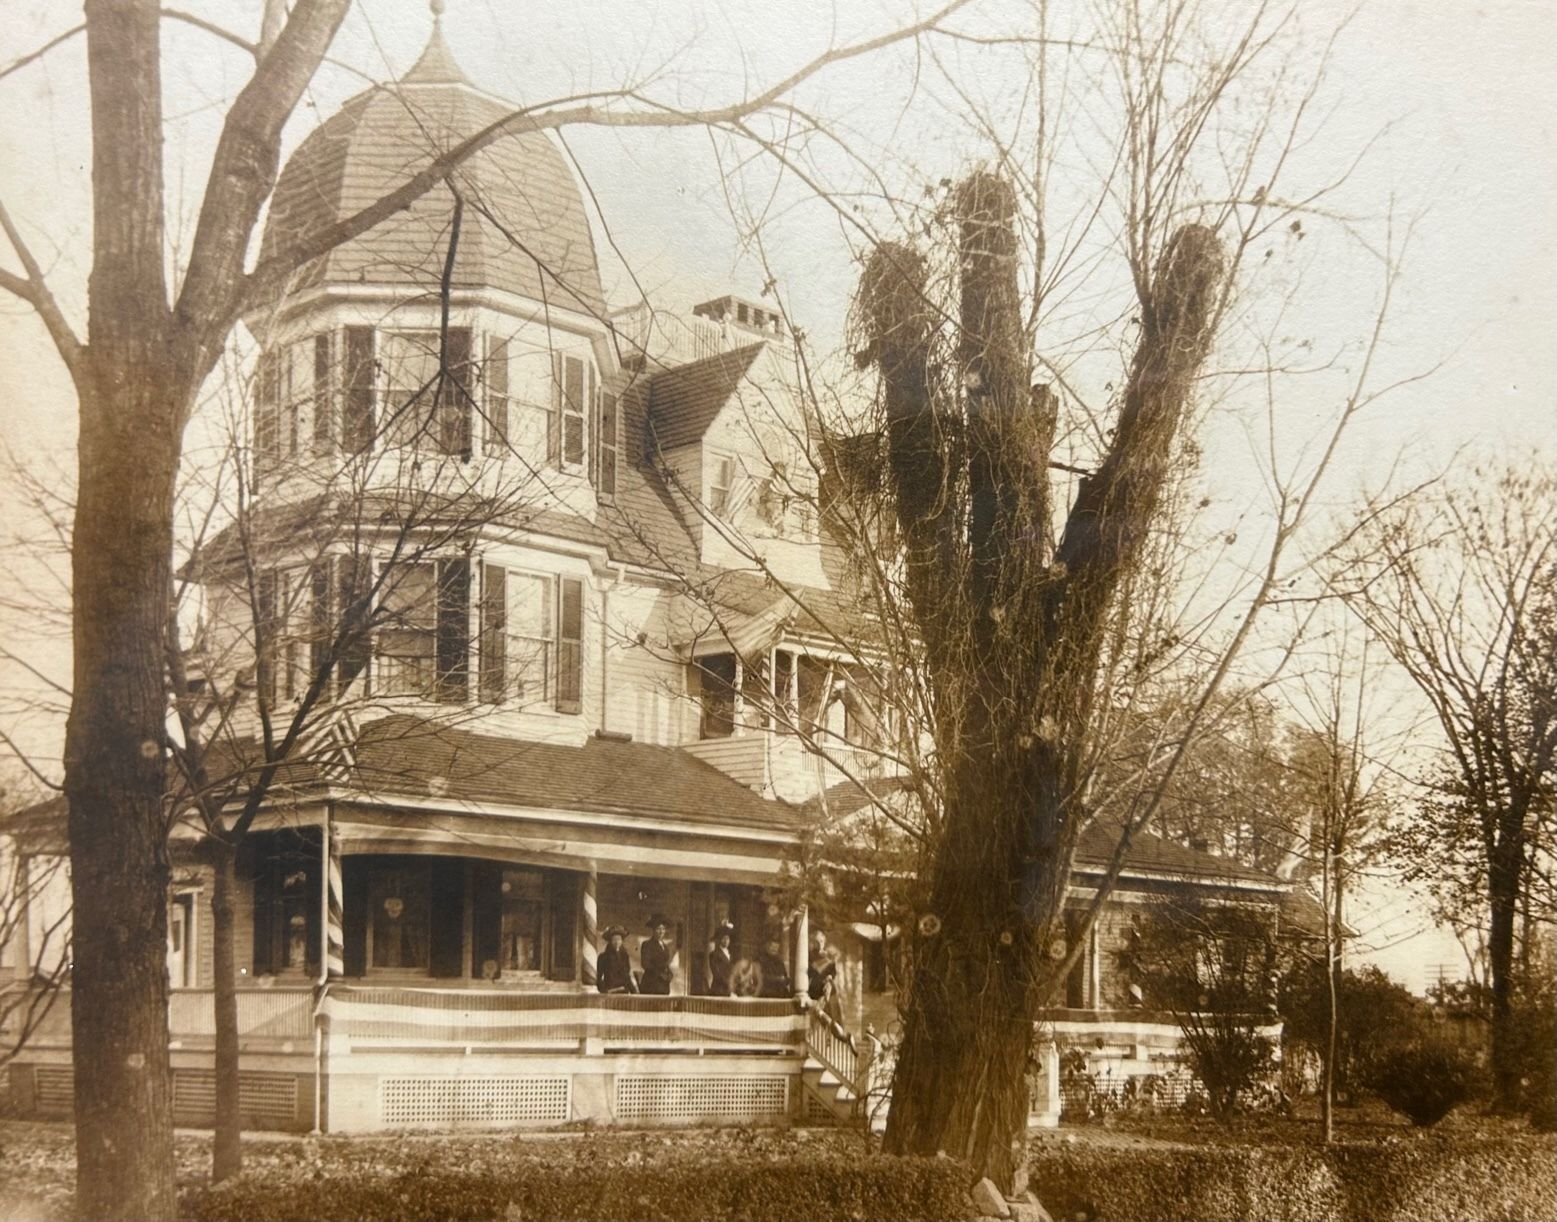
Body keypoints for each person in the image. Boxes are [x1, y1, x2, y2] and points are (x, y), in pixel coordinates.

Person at [807, 927, 844, 1026]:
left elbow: (833, 972)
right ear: (813, 942)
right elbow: (808, 972)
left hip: (828, 987)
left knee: (832, 1015)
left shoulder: (829, 956)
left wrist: (830, 978)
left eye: (821, 940)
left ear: (824, 941)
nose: (819, 943)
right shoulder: (809, 956)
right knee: (815, 1018)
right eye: (817, 941)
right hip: (815, 988)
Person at [639, 914, 674, 995]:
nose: (661, 931)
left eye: (663, 929)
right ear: (653, 930)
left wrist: (669, 974)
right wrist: (660, 974)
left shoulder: (665, 946)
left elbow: (665, 964)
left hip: (663, 985)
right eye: (658, 929)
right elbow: (645, 964)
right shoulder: (647, 944)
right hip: (651, 984)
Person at [597, 925, 636, 994]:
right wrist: (604, 990)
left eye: (619, 939)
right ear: (610, 941)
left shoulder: (625, 956)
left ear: (621, 941)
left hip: (624, 990)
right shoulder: (603, 957)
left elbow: (627, 975)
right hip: (610, 991)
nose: (617, 942)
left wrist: (633, 991)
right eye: (614, 939)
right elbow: (599, 977)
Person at [706, 920, 735, 996]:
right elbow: (717, 974)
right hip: (719, 989)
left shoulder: (730, 955)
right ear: (719, 939)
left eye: (728, 939)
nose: (726, 941)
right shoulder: (714, 955)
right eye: (723, 938)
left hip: (729, 989)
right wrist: (729, 983)